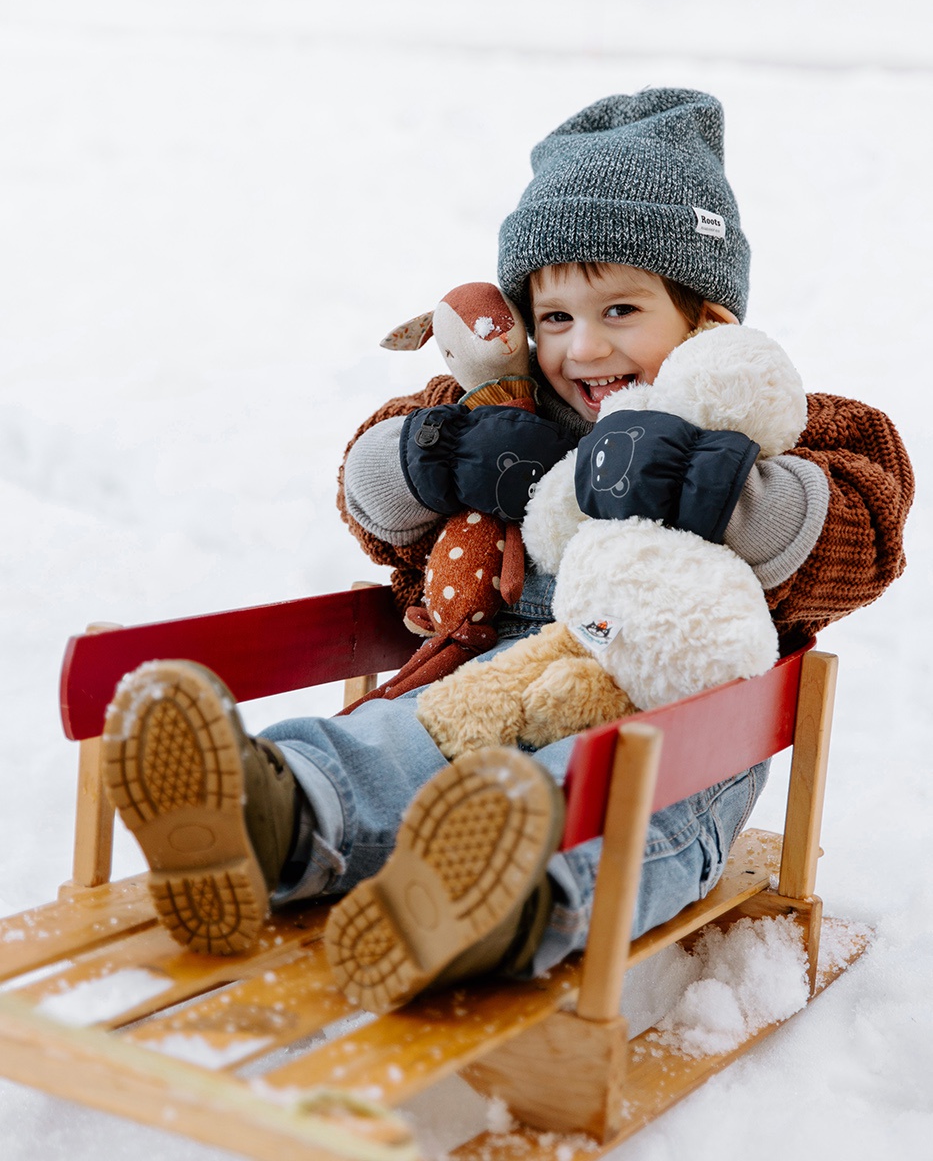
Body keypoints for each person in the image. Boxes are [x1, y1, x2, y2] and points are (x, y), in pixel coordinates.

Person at [101, 89, 913, 1014]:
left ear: (706, 319)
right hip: (479, 692)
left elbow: (868, 520)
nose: (585, 346)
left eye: (620, 309)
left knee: (595, 805)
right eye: (555, 317)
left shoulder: (771, 418)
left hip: (669, 738)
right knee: (387, 741)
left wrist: (724, 489)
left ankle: (490, 904)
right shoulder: (500, 407)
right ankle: (272, 816)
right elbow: (367, 500)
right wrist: (435, 455)